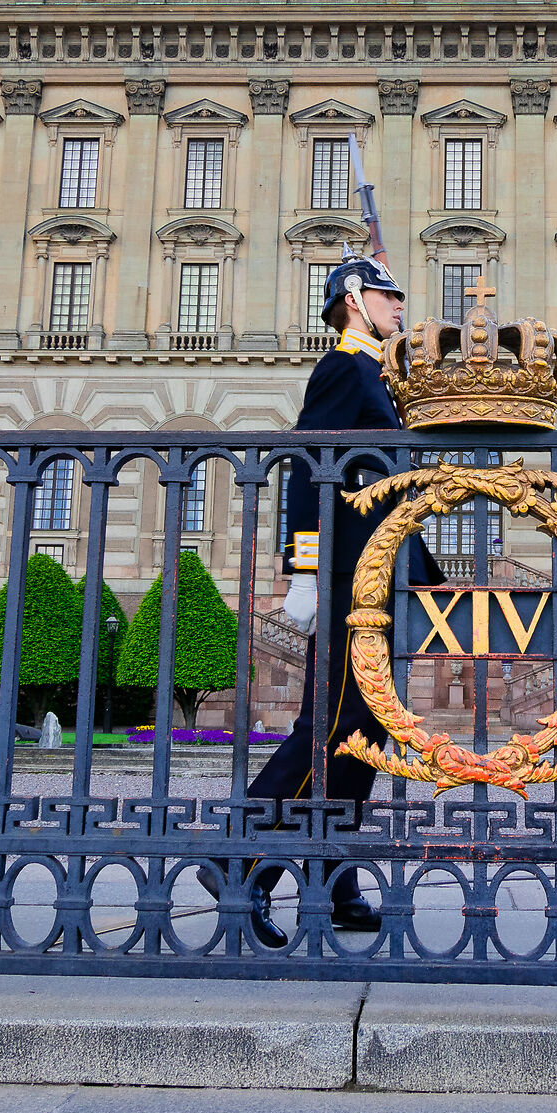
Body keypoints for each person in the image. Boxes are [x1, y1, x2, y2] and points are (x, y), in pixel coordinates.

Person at [225, 253, 442, 948]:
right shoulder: (343, 367)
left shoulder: (376, 371)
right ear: (354, 297)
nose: (398, 304)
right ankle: (238, 865)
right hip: (350, 580)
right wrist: (306, 571)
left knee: (363, 734)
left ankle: (331, 880)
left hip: (378, 577)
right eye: (387, 294)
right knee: (329, 725)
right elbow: (305, 469)